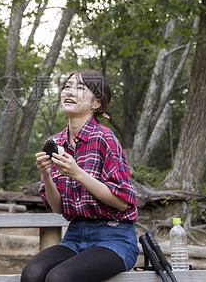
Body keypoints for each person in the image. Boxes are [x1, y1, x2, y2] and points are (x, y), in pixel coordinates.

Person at [21, 69, 140, 282]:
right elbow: (57, 207)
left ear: (97, 103)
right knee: (31, 274)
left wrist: (77, 173)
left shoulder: (105, 138)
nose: (70, 91)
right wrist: (46, 175)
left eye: (80, 88)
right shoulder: (56, 142)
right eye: (67, 86)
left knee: (59, 278)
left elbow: (123, 203)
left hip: (114, 238)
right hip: (75, 236)